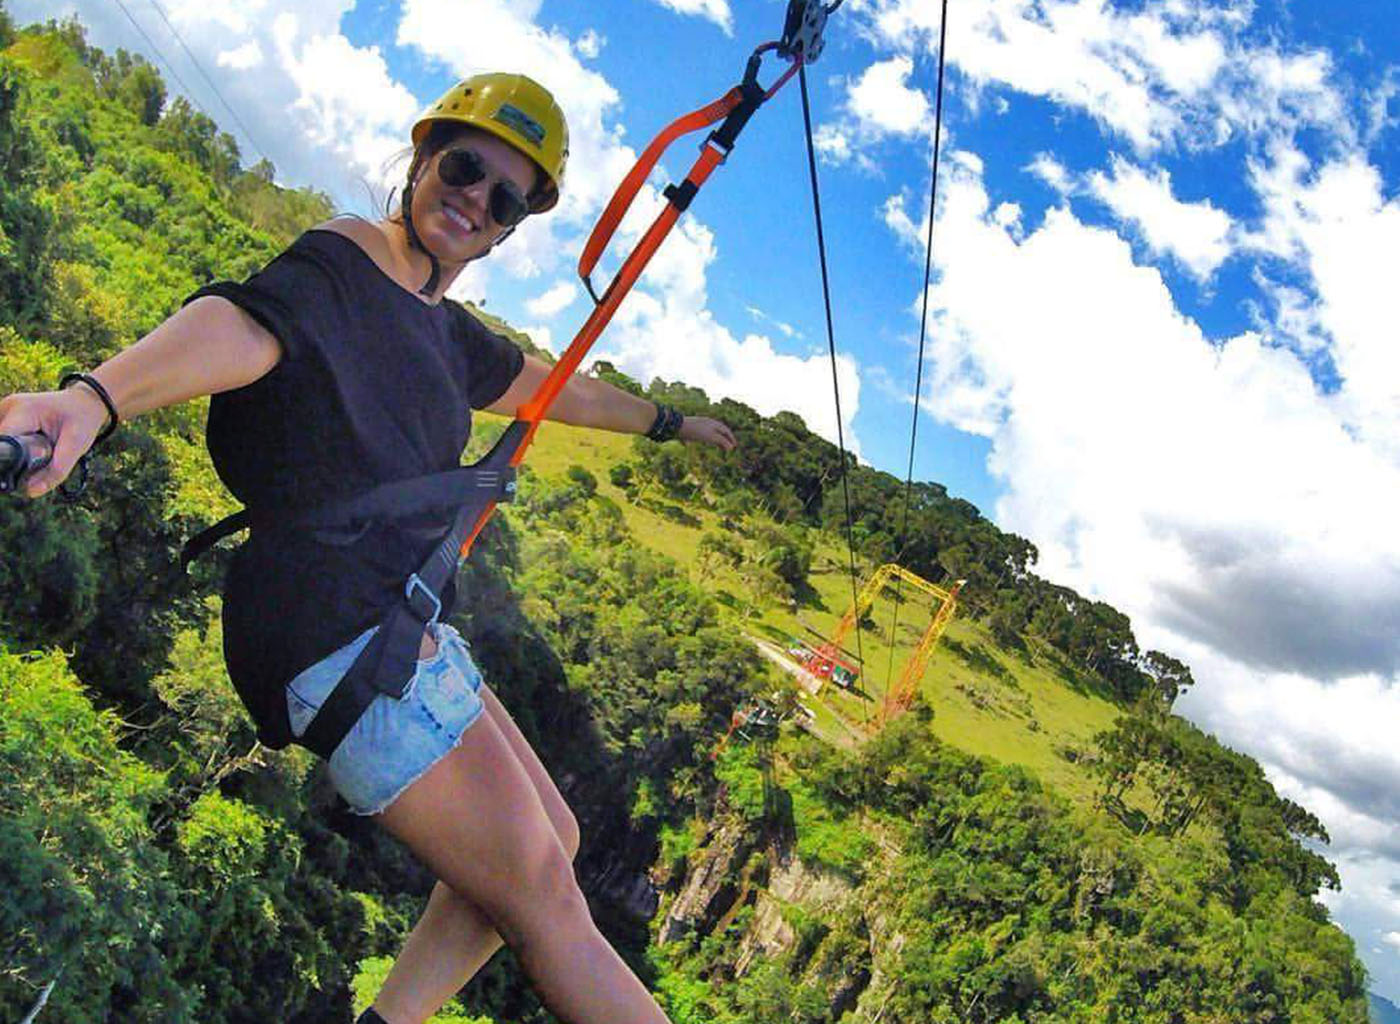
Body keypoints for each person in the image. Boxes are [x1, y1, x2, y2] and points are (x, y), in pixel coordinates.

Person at [0, 72, 737, 1024]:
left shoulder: (446, 332)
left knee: (552, 834)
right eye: (465, 168)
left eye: (502, 196)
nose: (474, 198)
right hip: (328, 624)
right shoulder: (342, 264)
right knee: (547, 900)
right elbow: (244, 321)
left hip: (389, 616)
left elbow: (557, 391)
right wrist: (91, 401)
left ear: (512, 227)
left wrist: (669, 423)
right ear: (424, 157)